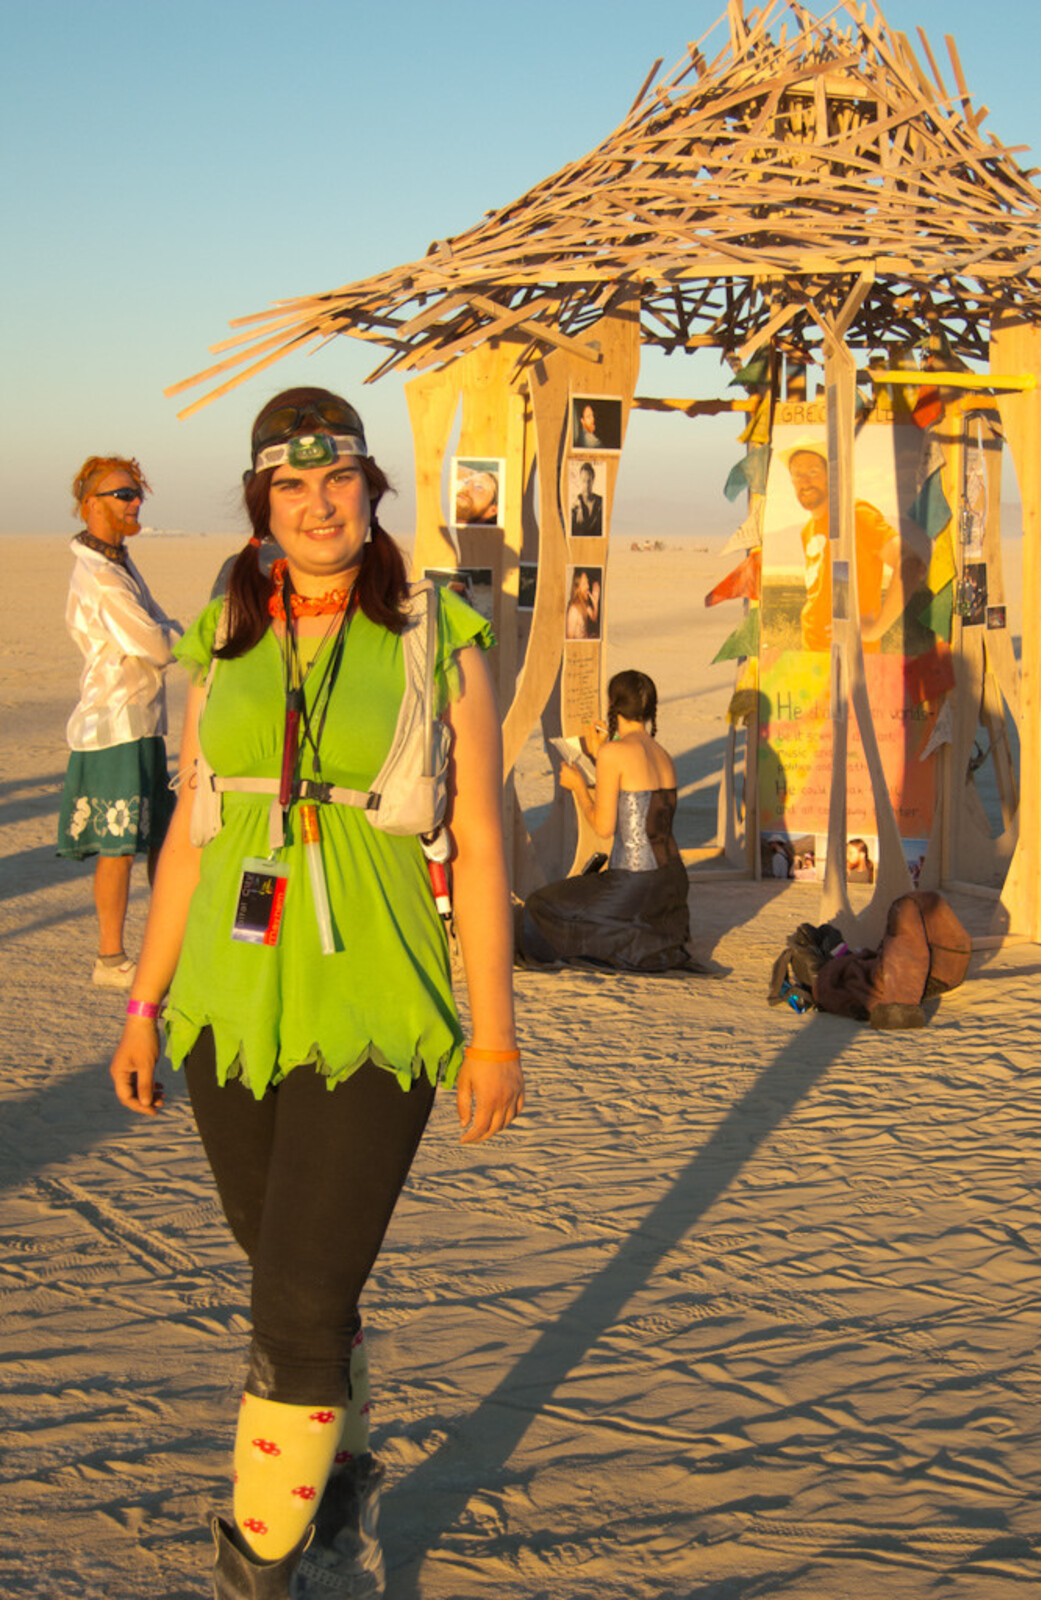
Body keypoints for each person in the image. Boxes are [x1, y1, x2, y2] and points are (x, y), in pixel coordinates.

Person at [106, 388, 522, 1598]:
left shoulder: (436, 631)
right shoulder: (220, 631)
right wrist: (143, 1005)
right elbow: (192, 826)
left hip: (374, 999)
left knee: (293, 1307)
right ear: (260, 500)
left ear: (370, 487)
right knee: (290, 1272)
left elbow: (485, 846)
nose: (317, 503)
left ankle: (255, 1570)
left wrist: (491, 1034)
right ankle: (333, 1474)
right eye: (289, 486)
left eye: (335, 479)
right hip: (227, 1009)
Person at [57, 455, 181, 987]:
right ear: (91, 505)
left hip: (142, 719)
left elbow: (157, 624)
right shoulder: (102, 576)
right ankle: (110, 959)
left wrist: (171, 629)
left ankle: (165, 941)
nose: (135, 503)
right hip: (114, 724)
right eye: (123, 495)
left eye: (137, 494)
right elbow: (154, 642)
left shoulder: (117, 563)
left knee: (162, 837)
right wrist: (187, 637)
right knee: (119, 847)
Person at [518, 670, 693, 971]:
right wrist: (601, 758)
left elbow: (603, 826)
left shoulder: (614, 752)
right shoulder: (662, 755)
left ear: (613, 706)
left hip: (634, 883)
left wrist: (578, 789)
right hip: (672, 882)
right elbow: (636, 800)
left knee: (540, 906)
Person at [784, 445, 925, 653]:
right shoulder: (808, 530)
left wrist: (876, 630)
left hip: (852, 658)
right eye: (797, 475)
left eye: (813, 472)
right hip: (813, 656)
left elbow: (910, 563)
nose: (804, 481)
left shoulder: (853, 516)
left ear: (830, 476)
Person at [570, 461, 603, 536]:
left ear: (593, 480)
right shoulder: (575, 506)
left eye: (589, 481)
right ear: (580, 480)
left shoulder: (601, 502)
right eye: (584, 481)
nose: (586, 485)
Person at [566, 568, 600, 640]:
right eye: (584, 584)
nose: (588, 586)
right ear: (577, 588)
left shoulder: (584, 603)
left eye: (587, 582)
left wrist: (595, 603)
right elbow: (569, 639)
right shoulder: (573, 610)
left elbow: (594, 618)